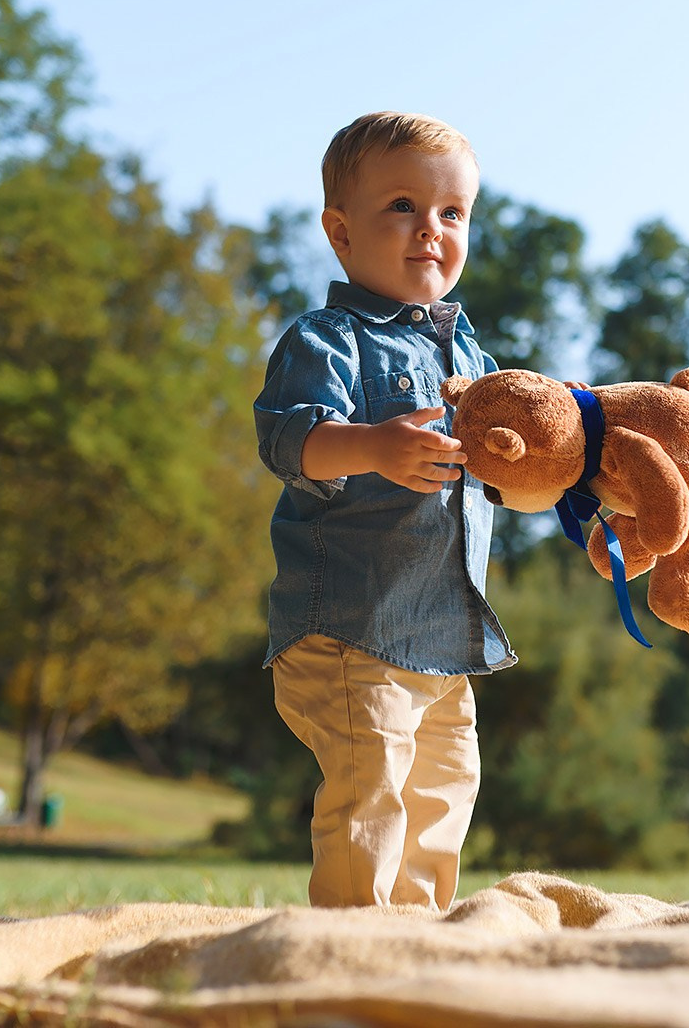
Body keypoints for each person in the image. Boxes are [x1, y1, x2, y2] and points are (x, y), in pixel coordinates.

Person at [253, 111, 509, 910]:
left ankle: (418, 937)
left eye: (452, 212)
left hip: (441, 633)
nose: (430, 229)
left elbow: (515, 470)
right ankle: (349, 943)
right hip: (351, 628)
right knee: (373, 794)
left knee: (443, 792)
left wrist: (590, 508)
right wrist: (370, 446)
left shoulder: (474, 359)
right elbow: (290, 441)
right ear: (341, 231)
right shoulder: (330, 339)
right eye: (402, 205)